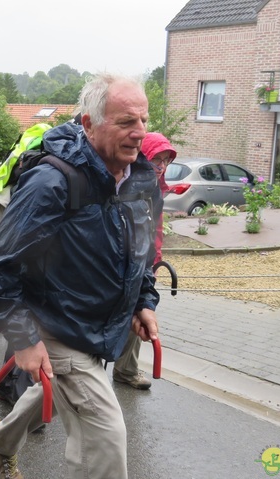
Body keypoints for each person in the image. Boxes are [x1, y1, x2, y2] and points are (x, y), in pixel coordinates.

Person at [0, 73, 162, 479]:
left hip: (97, 323)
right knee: (106, 438)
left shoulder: (139, 177)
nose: (139, 133)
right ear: (89, 123)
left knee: (59, 387)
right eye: (126, 122)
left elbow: (140, 248)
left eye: (144, 121)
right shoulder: (52, 181)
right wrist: (25, 342)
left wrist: (144, 299)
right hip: (55, 324)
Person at [112, 132, 176, 390]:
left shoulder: (156, 189)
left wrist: (152, 264)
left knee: (141, 310)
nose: (161, 166)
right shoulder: (127, 185)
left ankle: (126, 370)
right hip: (119, 264)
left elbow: (154, 232)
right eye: (156, 159)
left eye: (166, 160)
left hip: (142, 265)